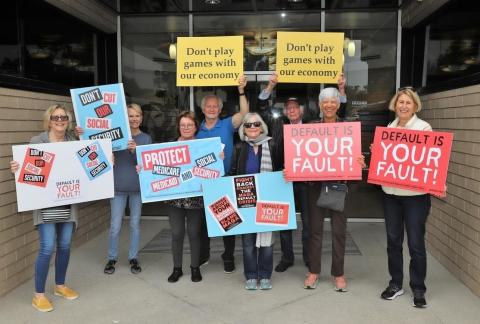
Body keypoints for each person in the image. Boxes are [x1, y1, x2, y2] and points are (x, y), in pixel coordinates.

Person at [257, 73, 347, 273]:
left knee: (309, 222)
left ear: (301, 110)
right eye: (288, 108)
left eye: (295, 107)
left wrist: (341, 91)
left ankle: (309, 258)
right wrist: (270, 87)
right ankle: (287, 258)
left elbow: (341, 117)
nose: (292, 110)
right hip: (283, 179)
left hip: (307, 182)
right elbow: (262, 108)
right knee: (284, 221)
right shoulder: (277, 125)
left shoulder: (311, 125)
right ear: (285, 111)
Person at [10, 104, 80, 312]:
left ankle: (60, 286)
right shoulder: (37, 142)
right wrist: (17, 167)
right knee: (47, 247)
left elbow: (86, 168)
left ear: (68, 121)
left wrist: (107, 160)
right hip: (45, 205)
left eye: (64, 117)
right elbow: (29, 169)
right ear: (49, 120)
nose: (60, 120)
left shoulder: (73, 142)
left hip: (68, 202)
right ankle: (38, 295)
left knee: (65, 245)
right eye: (56, 117)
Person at [303, 87, 365, 291]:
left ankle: (338, 274)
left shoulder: (348, 128)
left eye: (333, 101)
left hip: (339, 186)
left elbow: (355, 156)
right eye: (325, 101)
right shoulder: (310, 127)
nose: (329, 105)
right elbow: (302, 154)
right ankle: (313, 272)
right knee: (315, 231)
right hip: (315, 186)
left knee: (339, 231)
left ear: (338, 105)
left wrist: (359, 162)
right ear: (320, 105)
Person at [379, 87, 432, 308]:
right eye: (400, 102)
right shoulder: (389, 127)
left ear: (415, 105)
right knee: (393, 242)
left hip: (415, 196)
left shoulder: (423, 128)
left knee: (416, 243)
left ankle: (418, 289)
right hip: (390, 194)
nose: (403, 106)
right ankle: (396, 283)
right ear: (395, 104)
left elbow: (431, 159)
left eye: (408, 103)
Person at [195, 75, 249, 273]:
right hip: (203, 182)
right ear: (203, 109)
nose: (211, 109)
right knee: (203, 223)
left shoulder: (227, 124)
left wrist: (241, 90)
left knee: (228, 220)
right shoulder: (196, 130)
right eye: (208, 106)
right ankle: (204, 254)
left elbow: (244, 113)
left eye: (215, 106)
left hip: (224, 179)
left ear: (219, 109)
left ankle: (228, 255)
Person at [229, 113, 282, 290]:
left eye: (256, 124)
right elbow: (232, 172)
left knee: (268, 242)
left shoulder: (272, 144)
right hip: (245, 200)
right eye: (248, 125)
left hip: (268, 200)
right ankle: (251, 275)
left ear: (262, 127)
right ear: (243, 128)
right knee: (248, 241)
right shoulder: (238, 147)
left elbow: (281, 168)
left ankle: (265, 274)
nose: (252, 128)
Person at [103, 103, 152, 275]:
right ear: (125, 118)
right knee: (115, 226)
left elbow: (149, 164)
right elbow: (99, 153)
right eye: (130, 115)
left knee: (135, 224)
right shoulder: (114, 137)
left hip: (137, 189)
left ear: (142, 117)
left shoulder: (146, 139)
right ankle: (112, 258)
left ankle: (133, 257)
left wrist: (136, 151)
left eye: (137, 115)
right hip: (117, 188)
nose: (134, 118)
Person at [165, 111, 205, 283]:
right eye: (183, 125)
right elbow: (157, 166)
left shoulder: (204, 145)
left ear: (196, 127)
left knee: (195, 233)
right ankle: (177, 268)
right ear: (178, 127)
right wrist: (144, 168)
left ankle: (195, 267)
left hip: (196, 198)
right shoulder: (169, 146)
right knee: (176, 233)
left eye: (189, 125)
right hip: (174, 199)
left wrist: (218, 158)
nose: (186, 128)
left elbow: (211, 167)